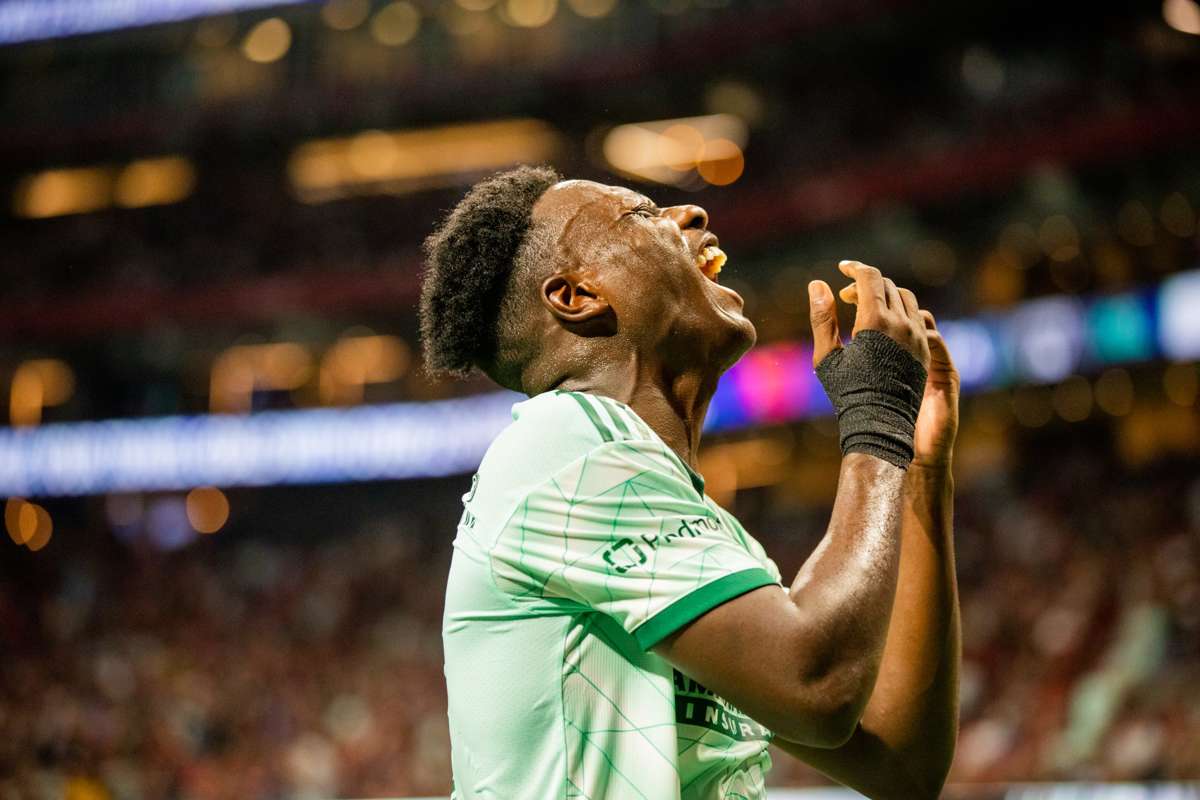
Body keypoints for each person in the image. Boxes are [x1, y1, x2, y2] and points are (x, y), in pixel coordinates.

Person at [423, 165, 961, 800]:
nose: (691, 214)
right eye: (642, 215)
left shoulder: (684, 516)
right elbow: (818, 686)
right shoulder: (568, 445)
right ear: (577, 296)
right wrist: (877, 417)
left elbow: (902, 765)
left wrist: (921, 471)